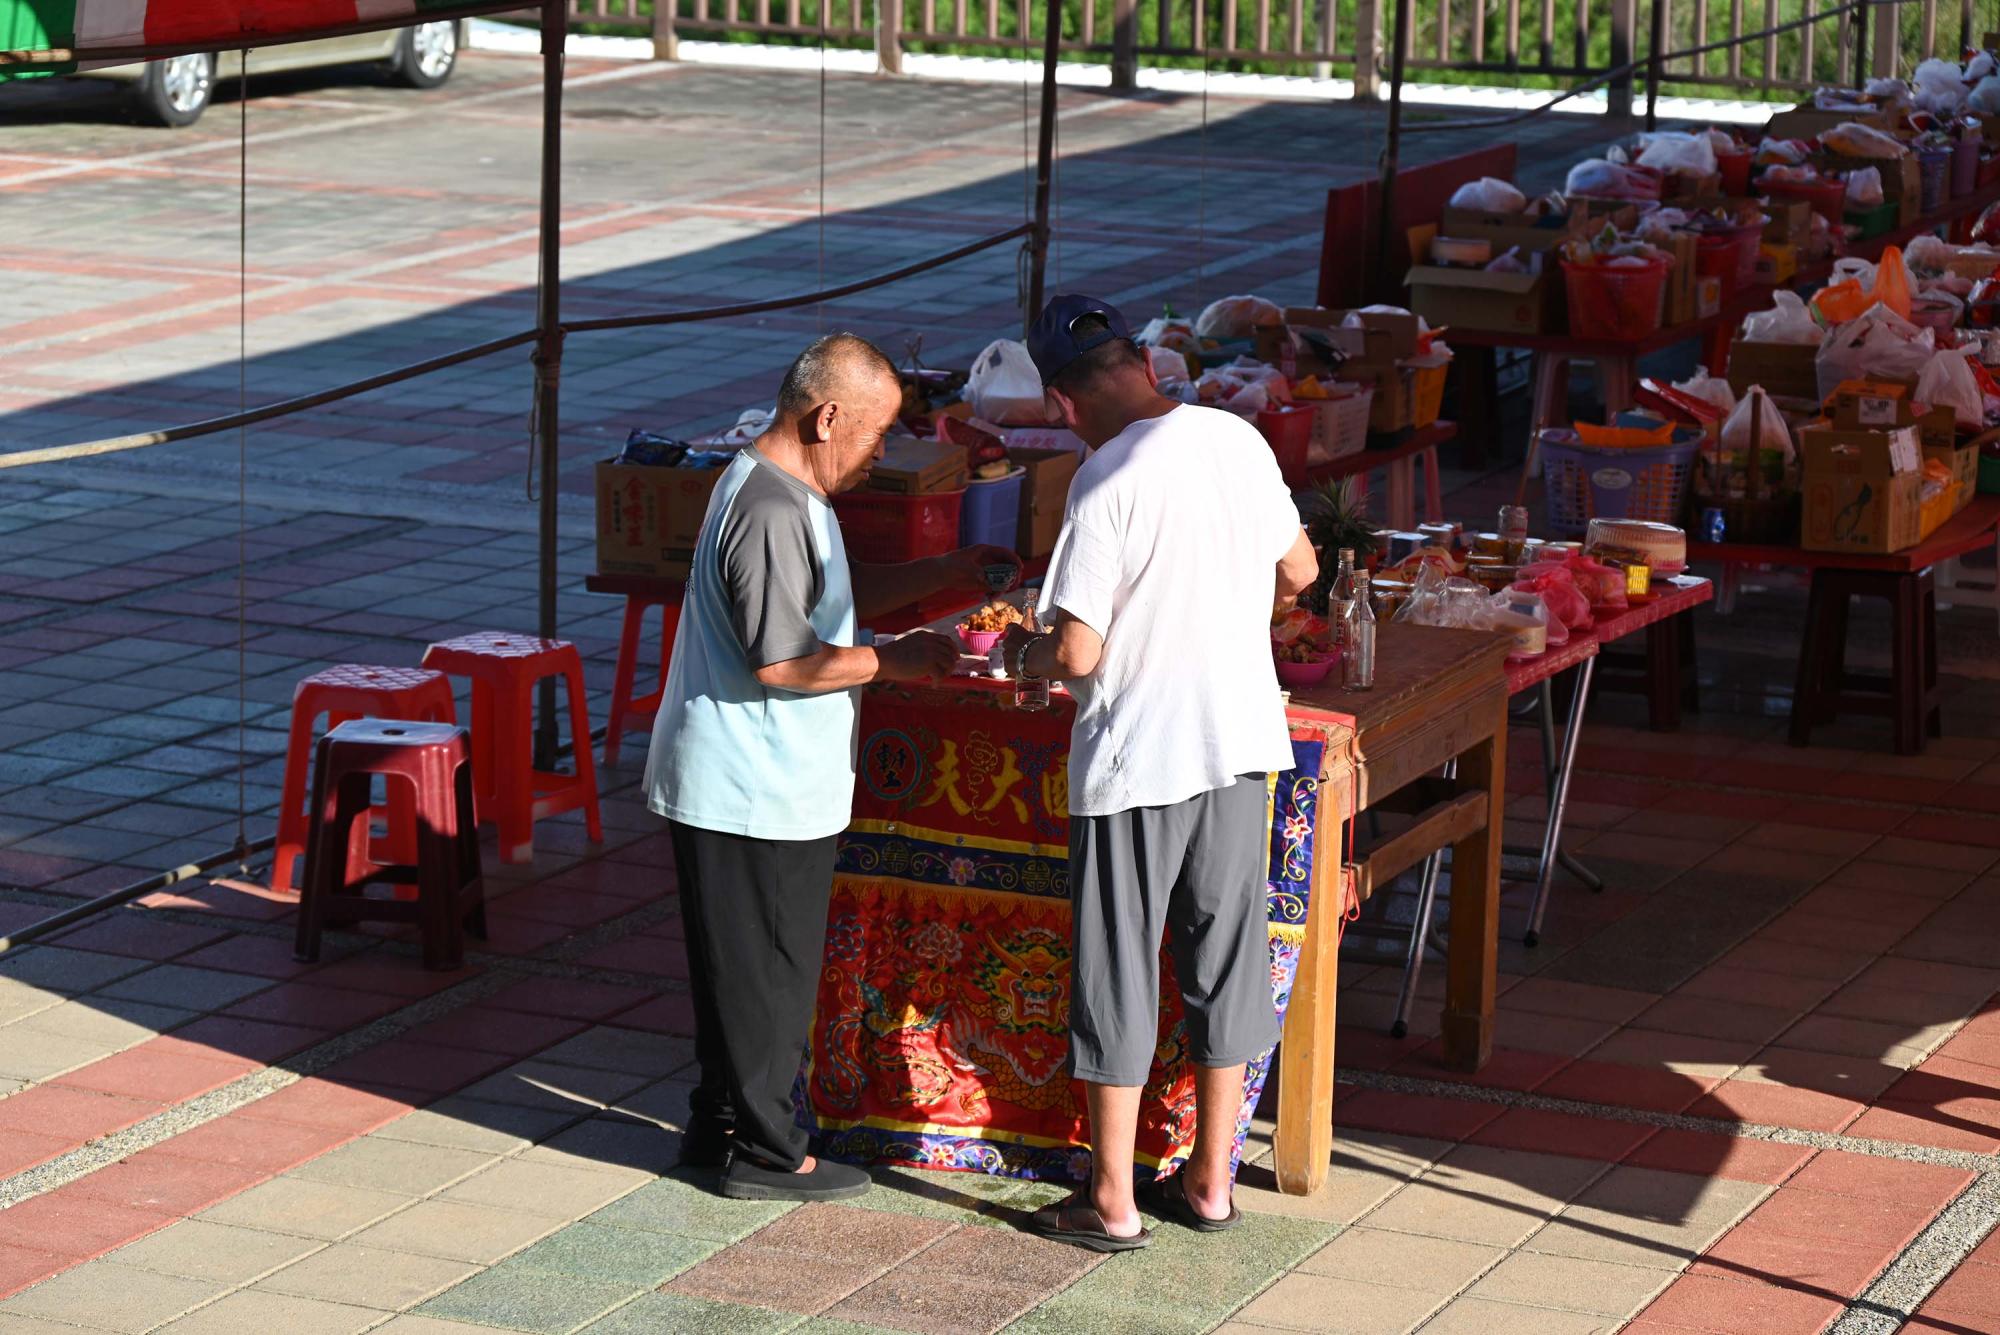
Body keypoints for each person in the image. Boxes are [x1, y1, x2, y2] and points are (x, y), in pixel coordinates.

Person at [644, 332, 1021, 1202]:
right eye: (876, 431)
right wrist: (894, 662)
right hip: (751, 783)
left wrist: (943, 571)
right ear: (826, 418)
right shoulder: (772, 507)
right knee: (768, 976)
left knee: (740, 969)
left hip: (755, 778)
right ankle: (769, 1153)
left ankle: (719, 1126)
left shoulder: (788, 492)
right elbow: (782, 659)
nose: (882, 450)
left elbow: (832, 596)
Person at [1001, 295, 1318, 1251]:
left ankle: (1112, 1199)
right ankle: (1213, 1180)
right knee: (1225, 957)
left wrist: (1021, 656)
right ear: (1145, 362)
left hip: (1139, 755)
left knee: (1119, 968)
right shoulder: (1235, 438)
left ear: (1062, 404)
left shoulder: (1104, 480)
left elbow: (1078, 652)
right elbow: (1301, 572)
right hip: (1241, 741)